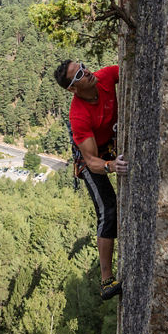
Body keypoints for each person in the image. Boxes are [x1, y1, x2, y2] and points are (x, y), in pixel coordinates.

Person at [54, 59, 128, 300]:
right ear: (73, 89)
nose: (86, 73)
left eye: (83, 67)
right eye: (79, 76)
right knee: (108, 209)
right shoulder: (78, 115)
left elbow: (128, 70)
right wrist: (110, 166)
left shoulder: (105, 77)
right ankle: (106, 280)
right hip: (91, 159)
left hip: (109, 142)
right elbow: (92, 159)